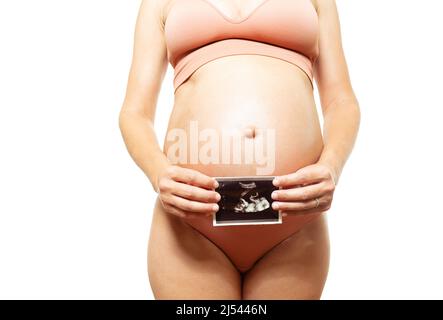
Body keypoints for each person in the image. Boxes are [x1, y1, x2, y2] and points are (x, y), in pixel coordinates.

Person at [119, 0, 360, 299]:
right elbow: (134, 113)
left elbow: (341, 101)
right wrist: (159, 173)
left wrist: (332, 167)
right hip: (192, 223)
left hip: (293, 220)